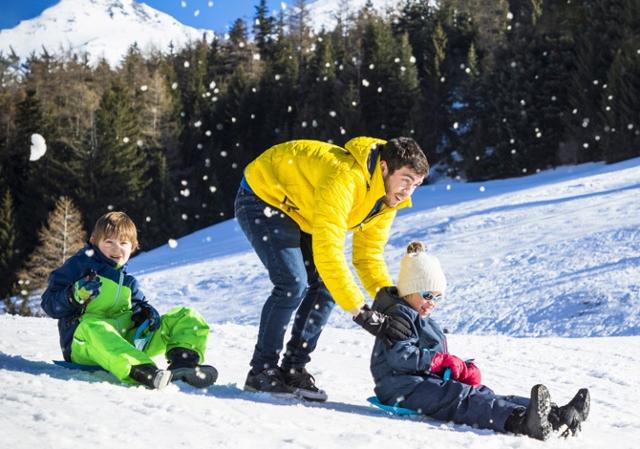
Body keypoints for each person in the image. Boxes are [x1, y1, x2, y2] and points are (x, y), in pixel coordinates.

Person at [235, 136, 430, 401]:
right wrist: (362, 313)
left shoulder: (386, 201)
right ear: (384, 168)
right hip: (263, 197)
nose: (408, 192)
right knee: (292, 284)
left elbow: (368, 255)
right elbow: (329, 252)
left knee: (326, 287)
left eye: (416, 185)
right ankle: (261, 371)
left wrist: (394, 304)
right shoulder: (346, 178)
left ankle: (293, 368)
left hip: (304, 213)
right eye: (406, 180)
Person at [369, 241, 591, 440]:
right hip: (400, 389)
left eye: (438, 297)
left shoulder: (418, 316)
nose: (432, 302)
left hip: (417, 384)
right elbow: (401, 357)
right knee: (461, 397)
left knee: (482, 393)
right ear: (409, 290)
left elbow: (426, 358)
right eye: (427, 295)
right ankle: (521, 421)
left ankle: (554, 414)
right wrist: (440, 362)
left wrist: (459, 369)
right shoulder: (398, 316)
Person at [41, 211, 218, 389]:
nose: (116, 249)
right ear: (95, 241)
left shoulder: (128, 283)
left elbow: (142, 306)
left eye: (123, 243)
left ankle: (184, 363)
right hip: (84, 344)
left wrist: (147, 314)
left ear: (133, 247)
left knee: (185, 315)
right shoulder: (80, 266)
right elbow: (49, 303)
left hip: (124, 343)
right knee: (94, 326)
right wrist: (74, 295)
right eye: (109, 242)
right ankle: (143, 371)